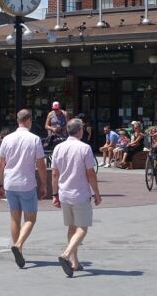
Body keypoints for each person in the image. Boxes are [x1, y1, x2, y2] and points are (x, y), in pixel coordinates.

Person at [0, 109, 47, 269]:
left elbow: (0, 164)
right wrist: (44, 184)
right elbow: (41, 164)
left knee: (14, 219)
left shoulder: (7, 139)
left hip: (10, 182)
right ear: (28, 120)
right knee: (30, 219)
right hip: (26, 183)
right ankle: (18, 245)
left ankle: (19, 249)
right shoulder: (34, 139)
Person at [50, 118, 101, 276]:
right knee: (82, 229)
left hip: (64, 192)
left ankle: (75, 262)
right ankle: (66, 254)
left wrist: (54, 194)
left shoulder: (58, 148)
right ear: (79, 131)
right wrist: (97, 193)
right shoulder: (84, 148)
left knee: (71, 228)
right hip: (80, 193)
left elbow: (54, 173)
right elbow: (90, 173)